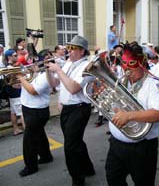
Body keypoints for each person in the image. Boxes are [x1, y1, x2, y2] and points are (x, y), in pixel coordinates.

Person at [105, 41, 159, 186]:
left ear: (141, 63)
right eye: (124, 64)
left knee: (143, 183)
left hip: (141, 149)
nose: (127, 69)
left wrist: (128, 116)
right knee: (113, 178)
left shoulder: (156, 84)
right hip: (116, 144)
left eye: (131, 65)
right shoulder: (123, 81)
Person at [47, 35, 95, 186]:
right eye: (68, 47)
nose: (69, 51)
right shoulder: (68, 64)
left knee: (70, 146)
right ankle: (88, 168)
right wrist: (48, 71)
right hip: (67, 109)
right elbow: (55, 83)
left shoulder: (87, 67)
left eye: (72, 48)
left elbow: (74, 88)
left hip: (80, 108)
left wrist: (58, 70)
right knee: (75, 141)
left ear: (82, 51)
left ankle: (77, 179)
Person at [17, 49, 54, 177]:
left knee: (29, 140)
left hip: (37, 111)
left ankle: (31, 167)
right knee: (39, 134)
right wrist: (19, 79)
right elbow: (20, 86)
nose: (32, 61)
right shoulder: (33, 73)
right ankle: (46, 156)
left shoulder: (46, 76)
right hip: (29, 108)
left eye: (35, 60)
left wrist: (20, 77)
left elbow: (33, 90)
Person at [3, 49, 24, 136]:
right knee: (22, 113)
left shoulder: (10, 67)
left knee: (13, 112)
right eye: (15, 55)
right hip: (16, 93)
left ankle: (16, 129)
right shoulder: (10, 68)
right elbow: (15, 85)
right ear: (9, 57)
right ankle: (27, 129)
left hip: (12, 93)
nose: (17, 57)